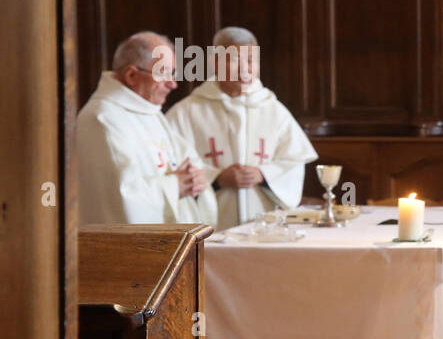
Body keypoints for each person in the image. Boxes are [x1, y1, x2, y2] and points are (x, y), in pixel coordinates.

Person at [166, 27, 318, 230]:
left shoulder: (272, 108)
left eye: (251, 60)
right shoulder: (187, 112)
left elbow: (294, 161)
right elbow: (169, 165)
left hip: (265, 226)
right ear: (214, 62)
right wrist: (217, 178)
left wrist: (263, 174)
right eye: (235, 60)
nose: (245, 69)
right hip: (209, 227)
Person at [77, 31, 217, 225]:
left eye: (173, 73)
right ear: (132, 75)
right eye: (164, 74)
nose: (173, 84)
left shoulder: (150, 112)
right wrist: (175, 186)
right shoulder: (102, 119)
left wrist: (196, 178)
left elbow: (189, 163)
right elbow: (119, 198)